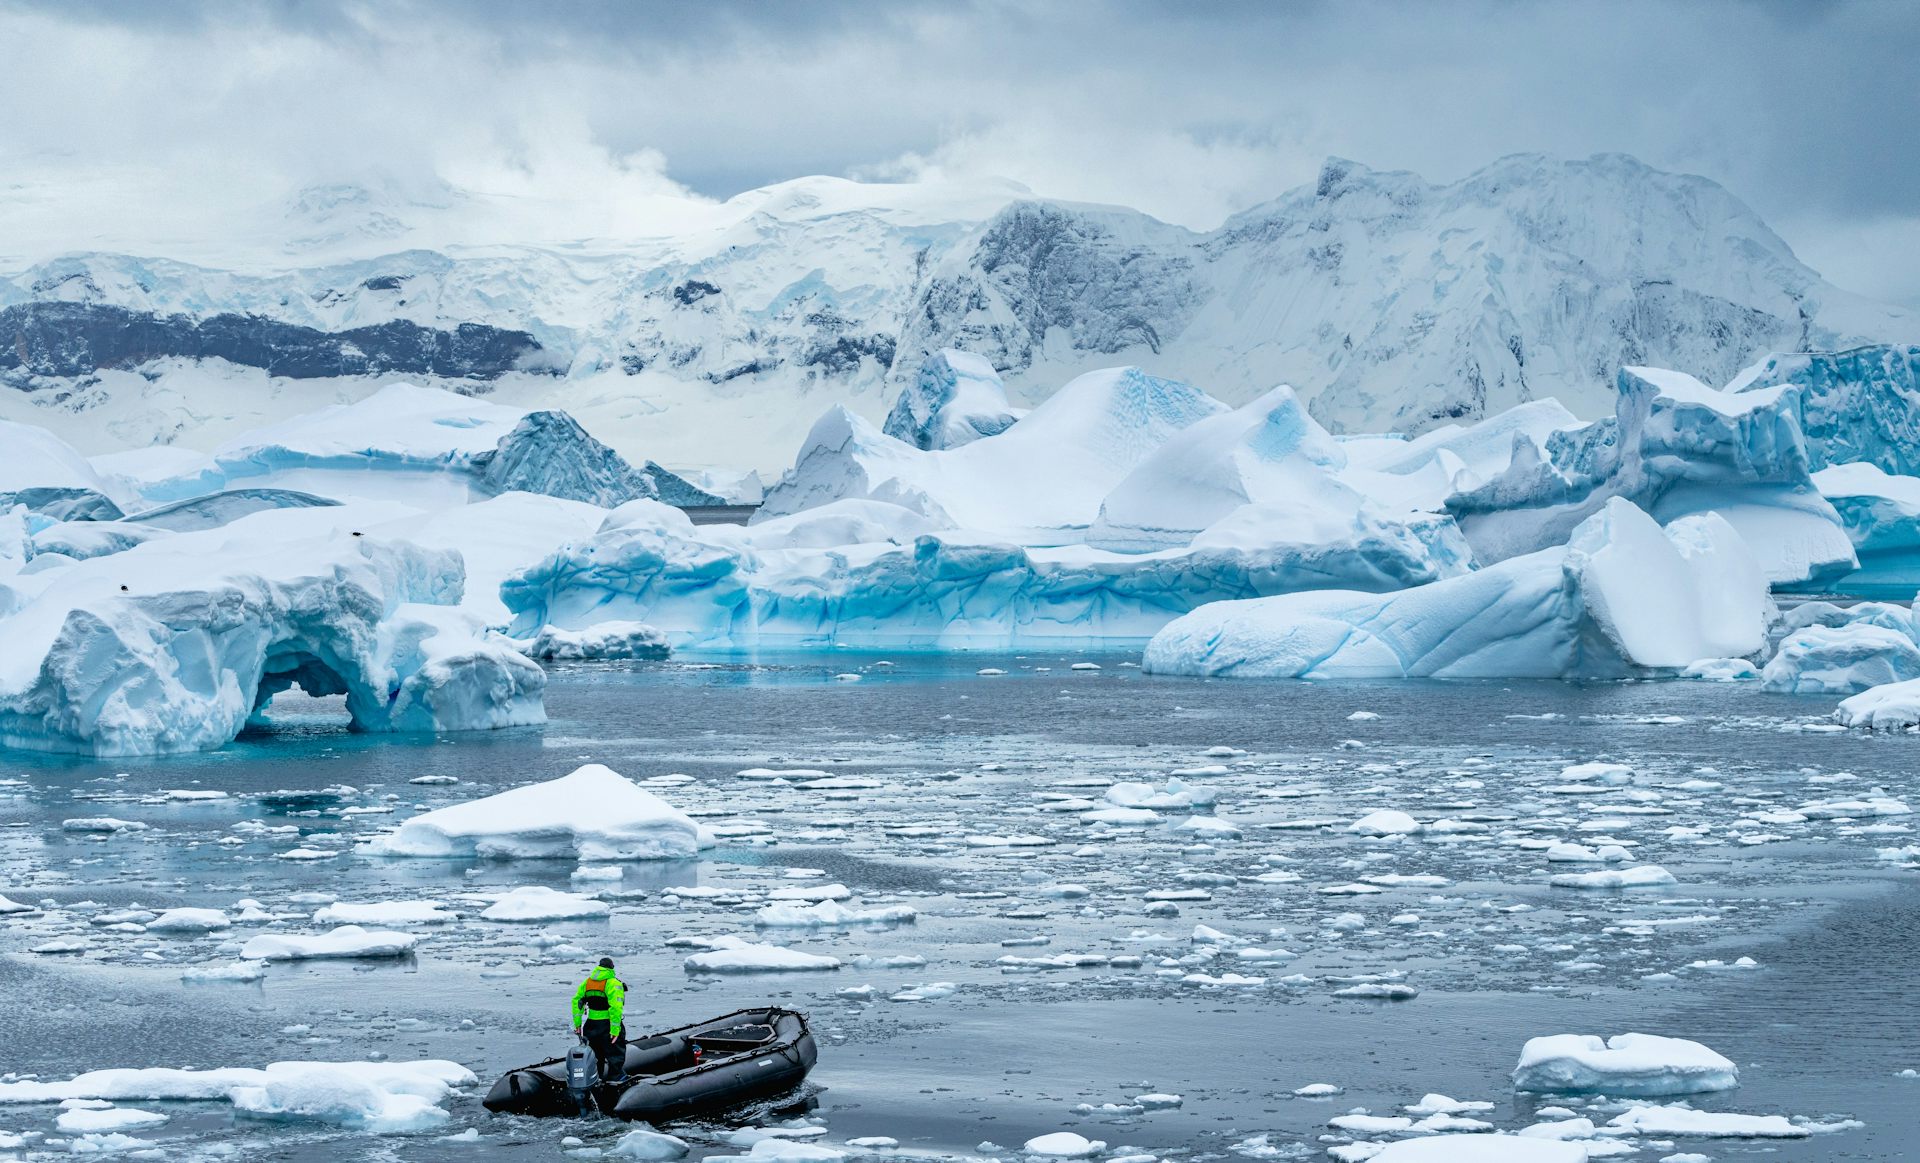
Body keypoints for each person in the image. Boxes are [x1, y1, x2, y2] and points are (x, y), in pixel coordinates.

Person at [571, 956, 628, 1084]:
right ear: (611, 968)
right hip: (607, 1025)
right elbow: (616, 1008)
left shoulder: (587, 982)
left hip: (590, 1026)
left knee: (596, 1056)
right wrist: (615, 1030)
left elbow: (577, 1002)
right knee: (615, 1053)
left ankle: (596, 1080)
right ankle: (616, 1078)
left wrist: (578, 1024)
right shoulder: (613, 983)